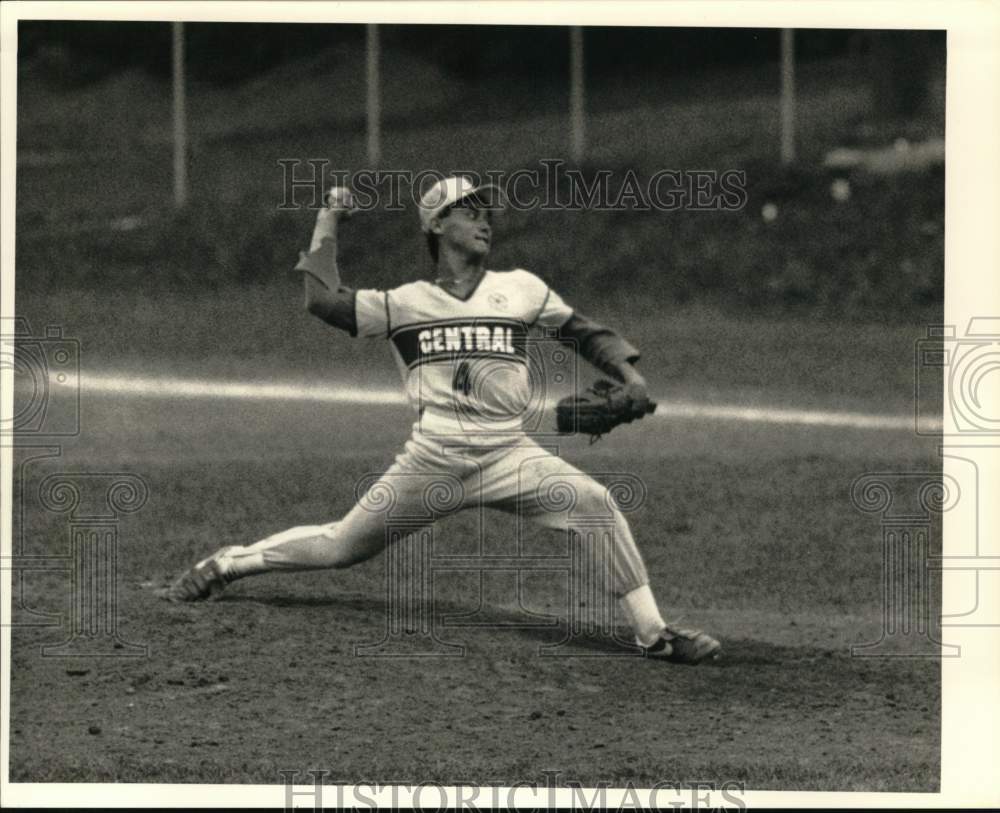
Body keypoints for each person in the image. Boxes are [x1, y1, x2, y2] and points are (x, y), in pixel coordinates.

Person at [167, 176, 720, 664]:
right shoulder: (405, 303)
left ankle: (655, 635)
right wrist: (327, 219)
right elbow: (322, 301)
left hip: (510, 453)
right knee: (341, 547)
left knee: (596, 505)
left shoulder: (522, 287)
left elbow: (584, 332)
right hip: (432, 462)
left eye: (487, 212)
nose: (484, 221)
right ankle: (231, 563)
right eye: (469, 210)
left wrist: (631, 376)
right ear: (437, 223)